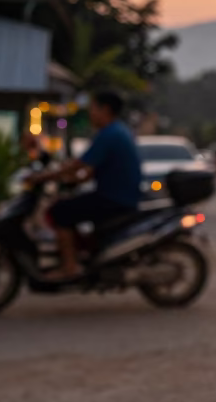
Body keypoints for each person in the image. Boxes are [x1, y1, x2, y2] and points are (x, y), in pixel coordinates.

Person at [27, 90, 141, 280]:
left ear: (105, 110)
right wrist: (71, 180)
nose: (90, 113)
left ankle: (70, 267)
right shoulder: (116, 131)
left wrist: (42, 177)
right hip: (116, 196)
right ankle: (81, 254)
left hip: (114, 199)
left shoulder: (110, 134)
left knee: (60, 212)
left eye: (93, 108)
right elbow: (89, 171)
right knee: (69, 205)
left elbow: (78, 165)